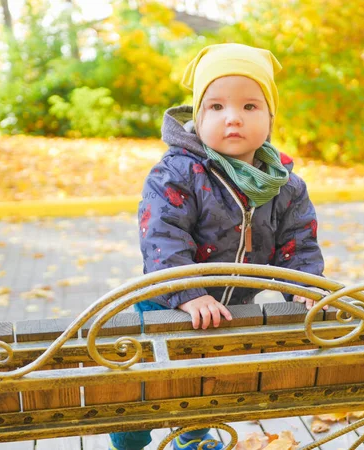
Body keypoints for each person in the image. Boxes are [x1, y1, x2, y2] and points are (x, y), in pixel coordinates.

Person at [110, 43, 325, 450]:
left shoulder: (284, 186)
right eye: (216, 107)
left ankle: (192, 436)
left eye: (249, 106)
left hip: (229, 309)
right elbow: (162, 238)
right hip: (167, 305)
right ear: (197, 115)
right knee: (148, 390)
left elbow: (298, 246)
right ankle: (126, 442)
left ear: (269, 117)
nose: (233, 118)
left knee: (213, 379)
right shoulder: (177, 172)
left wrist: (304, 286)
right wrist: (189, 292)